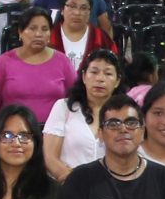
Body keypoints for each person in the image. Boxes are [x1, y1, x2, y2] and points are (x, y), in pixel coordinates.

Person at [40, 46, 123, 177]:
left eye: (108, 73)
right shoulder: (63, 107)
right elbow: (49, 157)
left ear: (117, 81)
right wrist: (76, 183)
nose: (100, 79)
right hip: (68, 185)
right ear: (84, 77)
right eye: (94, 72)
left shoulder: (124, 114)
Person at [0, 7, 72, 129]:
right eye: (32, 28)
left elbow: (75, 99)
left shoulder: (62, 61)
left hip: (54, 133)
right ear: (20, 32)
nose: (39, 34)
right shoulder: (4, 62)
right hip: (14, 134)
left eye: (45, 29)